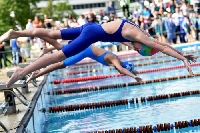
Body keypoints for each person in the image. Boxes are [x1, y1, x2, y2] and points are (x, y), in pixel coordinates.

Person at [0, 19, 196, 88]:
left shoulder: (136, 34)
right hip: (92, 34)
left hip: (91, 27)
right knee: (58, 57)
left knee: (52, 33)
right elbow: (161, 47)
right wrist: (182, 59)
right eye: (138, 49)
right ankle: (20, 72)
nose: (134, 49)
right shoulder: (135, 35)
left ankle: (14, 33)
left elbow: (162, 45)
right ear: (141, 44)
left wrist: (184, 55)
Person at [27, 39, 140, 83]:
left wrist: (135, 73)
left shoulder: (119, 61)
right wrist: (134, 77)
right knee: (60, 64)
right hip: (84, 51)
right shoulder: (115, 60)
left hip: (87, 47)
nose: (120, 72)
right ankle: (36, 74)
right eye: (122, 71)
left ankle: (48, 49)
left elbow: (123, 69)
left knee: (66, 48)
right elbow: (121, 69)